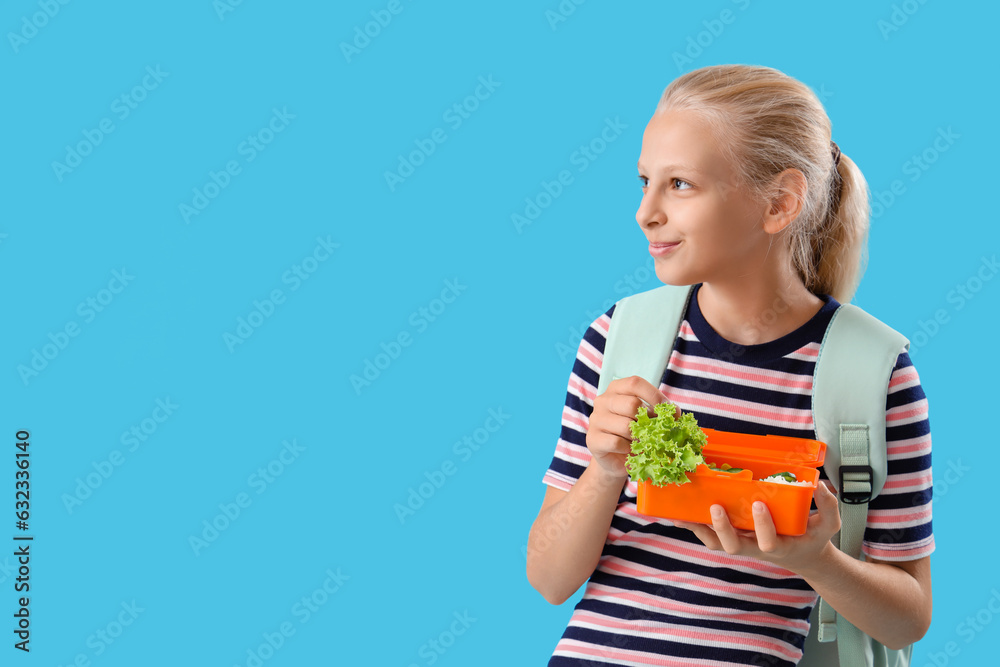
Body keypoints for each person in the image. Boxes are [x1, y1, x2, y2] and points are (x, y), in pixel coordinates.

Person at [526, 64, 933, 666]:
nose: (646, 212)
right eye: (644, 182)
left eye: (681, 185)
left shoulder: (875, 373)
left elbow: (907, 620)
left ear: (779, 203)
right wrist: (606, 471)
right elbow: (549, 579)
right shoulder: (618, 340)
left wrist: (815, 560)